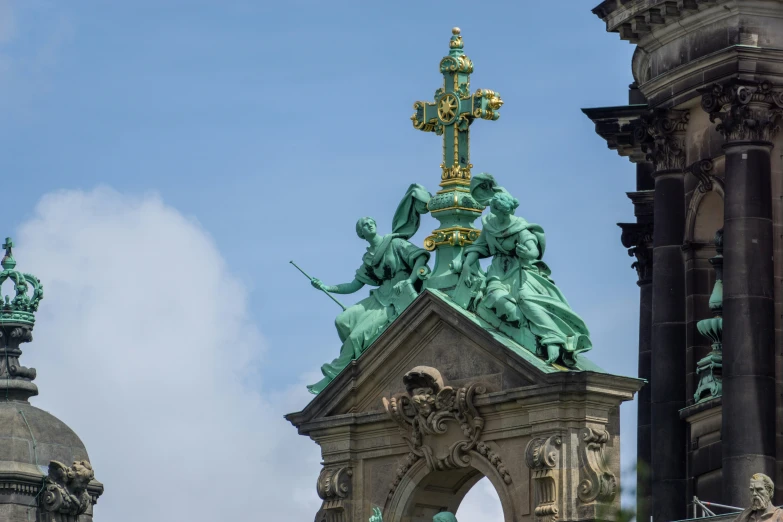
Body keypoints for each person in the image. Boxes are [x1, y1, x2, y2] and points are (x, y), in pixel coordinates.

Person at [458, 173, 591, 366]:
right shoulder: (490, 224)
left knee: (527, 300)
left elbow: (533, 251)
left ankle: (551, 338)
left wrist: (525, 252)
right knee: (496, 298)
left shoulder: (520, 228)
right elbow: (480, 246)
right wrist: (468, 264)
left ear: (506, 211)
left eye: (500, 210)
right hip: (498, 271)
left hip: (520, 272)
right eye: (495, 209)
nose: (495, 212)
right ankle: (524, 330)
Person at [308, 217, 429, 394]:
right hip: (380, 296)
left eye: (370, 222)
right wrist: (326, 287)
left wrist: (409, 282)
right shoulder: (369, 259)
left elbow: (420, 257)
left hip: (398, 296)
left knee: (356, 336)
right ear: (361, 234)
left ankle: (333, 376)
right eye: (364, 225)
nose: (369, 224)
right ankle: (359, 356)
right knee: (342, 320)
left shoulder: (394, 243)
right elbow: (353, 285)